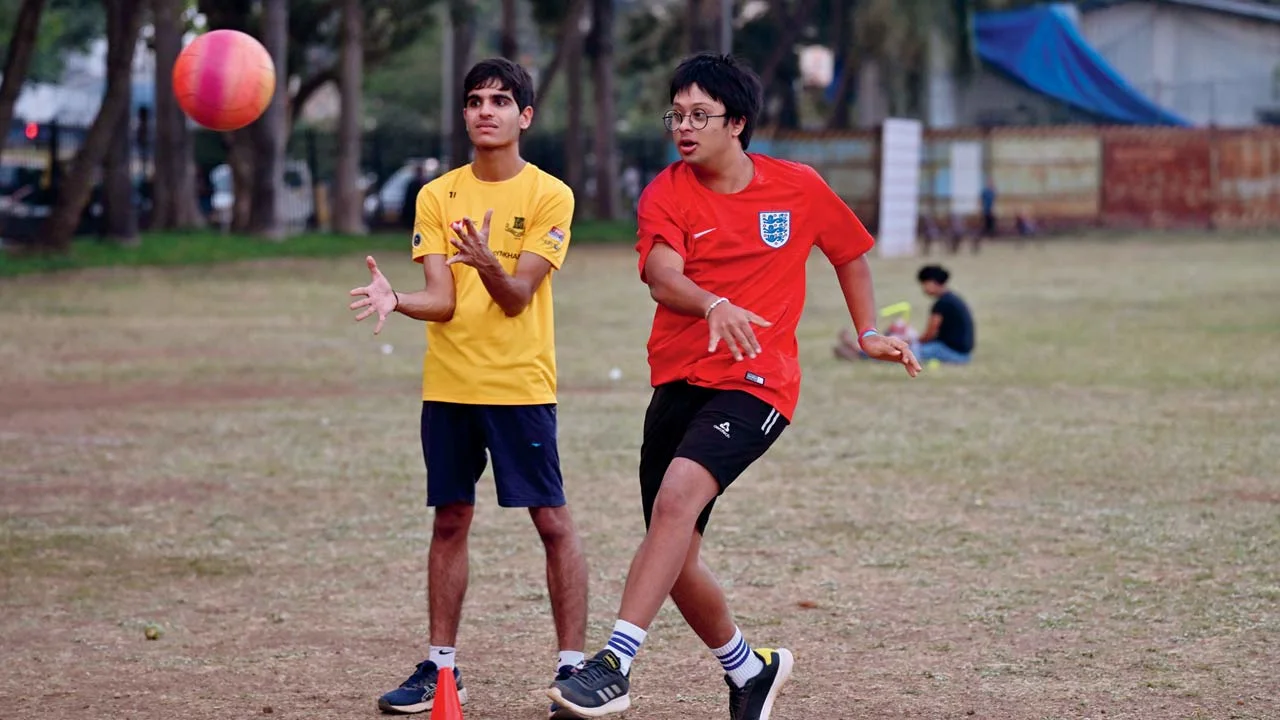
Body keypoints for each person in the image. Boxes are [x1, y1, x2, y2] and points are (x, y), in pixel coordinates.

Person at [547, 52, 919, 720]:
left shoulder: (797, 187)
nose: (684, 128)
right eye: (677, 115)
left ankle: (614, 664)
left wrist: (867, 333)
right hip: (679, 379)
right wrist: (712, 302)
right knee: (677, 554)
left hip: (758, 384)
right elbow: (661, 275)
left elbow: (849, 254)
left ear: (737, 123)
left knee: (675, 502)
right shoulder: (666, 191)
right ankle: (750, 670)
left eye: (700, 116)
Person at [347, 58, 589, 719]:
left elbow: (516, 298)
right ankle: (439, 667)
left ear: (525, 117)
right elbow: (442, 302)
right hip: (450, 387)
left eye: (501, 101)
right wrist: (396, 298)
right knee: (450, 520)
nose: (487, 110)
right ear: (464, 114)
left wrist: (488, 262)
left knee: (552, 522)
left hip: (520, 386)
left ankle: (573, 672)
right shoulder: (439, 195)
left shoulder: (550, 195)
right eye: (476, 101)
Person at [913, 264, 975, 364]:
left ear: (932, 283)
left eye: (924, 284)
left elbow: (930, 334)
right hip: (965, 354)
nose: (923, 289)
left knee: (910, 351)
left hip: (953, 353)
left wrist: (913, 341)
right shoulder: (953, 299)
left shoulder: (941, 304)